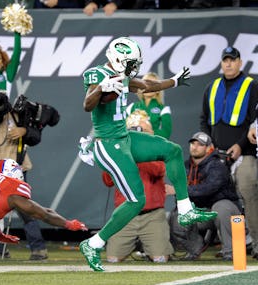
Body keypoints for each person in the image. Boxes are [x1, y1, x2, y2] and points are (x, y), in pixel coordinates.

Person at [78, 36, 218, 272]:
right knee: (136, 200)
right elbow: (88, 104)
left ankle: (185, 209)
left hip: (124, 138)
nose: (134, 67)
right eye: (130, 62)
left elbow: (147, 86)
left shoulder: (122, 76)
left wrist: (173, 81)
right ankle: (93, 244)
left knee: (172, 150)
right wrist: (103, 87)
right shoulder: (96, 74)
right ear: (117, 58)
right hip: (107, 143)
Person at [0, 88, 50, 260]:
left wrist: (24, 131)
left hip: (14, 167)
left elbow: (35, 136)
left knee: (25, 209)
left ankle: (38, 249)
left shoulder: (17, 112)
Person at [200, 46, 258, 259]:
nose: (228, 64)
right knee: (222, 200)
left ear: (240, 62)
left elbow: (255, 121)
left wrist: (241, 145)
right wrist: (208, 146)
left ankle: (257, 245)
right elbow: (203, 119)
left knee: (249, 196)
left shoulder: (251, 86)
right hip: (217, 156)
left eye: (233, 60)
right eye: (225, 60)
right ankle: (231, 247)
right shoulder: (212, 86)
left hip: (244, 154)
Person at [103, 110, 174, 263]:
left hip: (152, 215)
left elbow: (158, 170)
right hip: (125, 214)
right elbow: (108, 181)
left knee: (160, 259)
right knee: (113, 259)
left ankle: (151, 250)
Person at [169, 132, 241, 261]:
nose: (195, 147)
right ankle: (193, 250)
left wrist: (178, 190)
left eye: (200, 145)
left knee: (221, 208)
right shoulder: (185, 166)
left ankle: (230, 251)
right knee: (180, 213)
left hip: (227, 211)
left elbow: (208, 189)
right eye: (193, 144)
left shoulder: (217, 165)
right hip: (204, 212)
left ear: (209, 148)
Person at [126, 72, 172, 139]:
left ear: (158, 90)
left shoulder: (164, 109)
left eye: (152, 85)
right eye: (144, 84)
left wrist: (147, 131)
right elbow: (122, 128)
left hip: (153, 144)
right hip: (133, 143)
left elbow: (166, 133)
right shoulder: (131, 107)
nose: (148, 87)